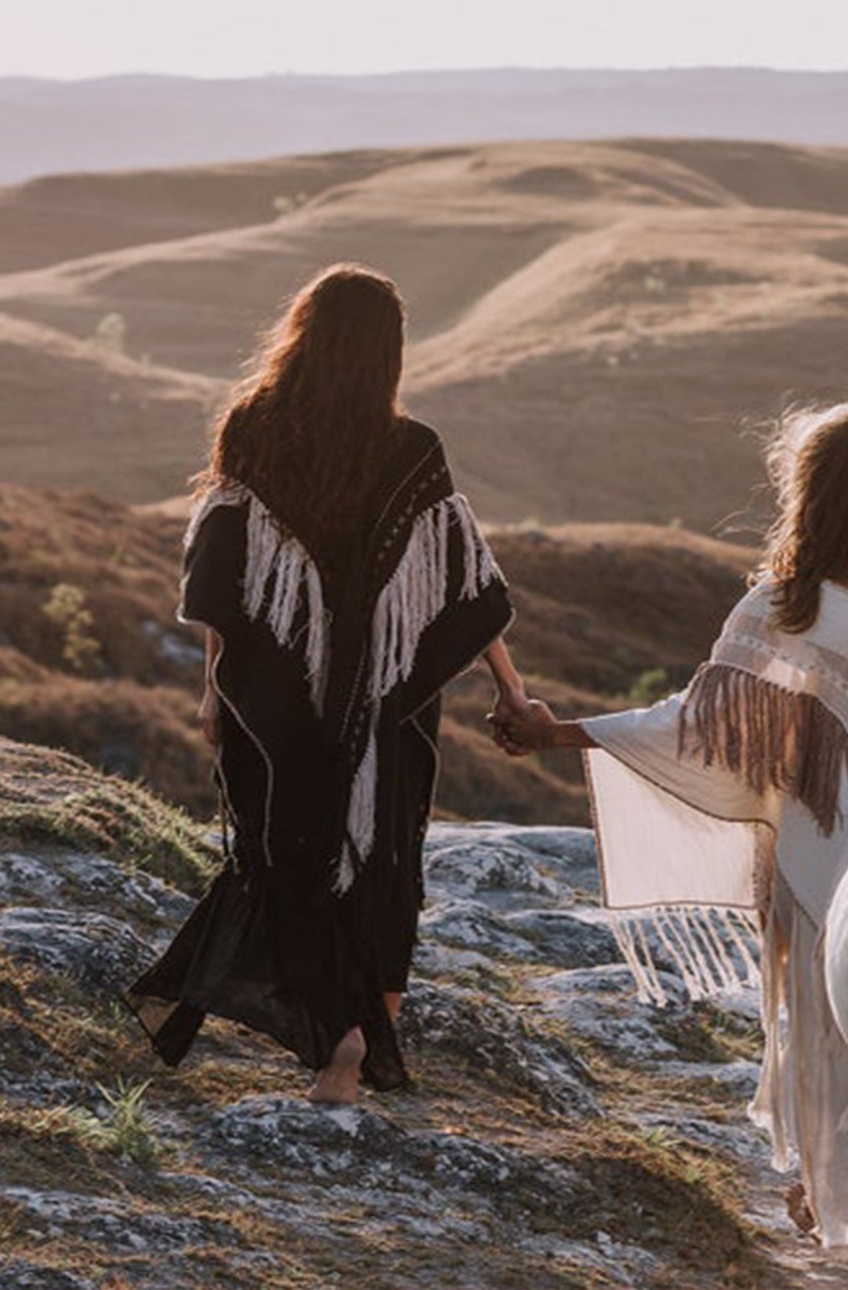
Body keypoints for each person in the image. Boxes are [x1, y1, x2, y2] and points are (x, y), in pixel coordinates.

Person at [498, 401, 848, 1289]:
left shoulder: (780, 607)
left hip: (821, 857)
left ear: (803, 491)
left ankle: (818, 1181)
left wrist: (560, 730)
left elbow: (695, 730)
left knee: (818, 1029)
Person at [127, 263, 530, 1104]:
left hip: (275, 698)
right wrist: (512, 692)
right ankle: (365, 1037)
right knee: (382, 857)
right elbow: (471, 585)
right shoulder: (414, 451)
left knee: (291, 853)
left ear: (301, 334)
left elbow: (225, 586)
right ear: (389, 353)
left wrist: (212, 690)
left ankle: (339, 1039)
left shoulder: (252, 431)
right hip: (386, 705)